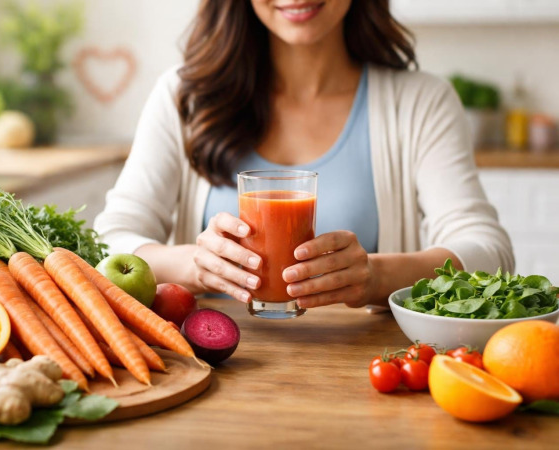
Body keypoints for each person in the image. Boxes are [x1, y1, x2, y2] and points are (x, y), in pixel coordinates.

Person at [94, 0, 513, 309]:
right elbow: (108, 243)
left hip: (366, 376)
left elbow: (489, 252)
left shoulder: (421, 102)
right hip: (213, 372)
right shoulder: (183, 98)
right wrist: (195, 265)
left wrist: (374, 276)